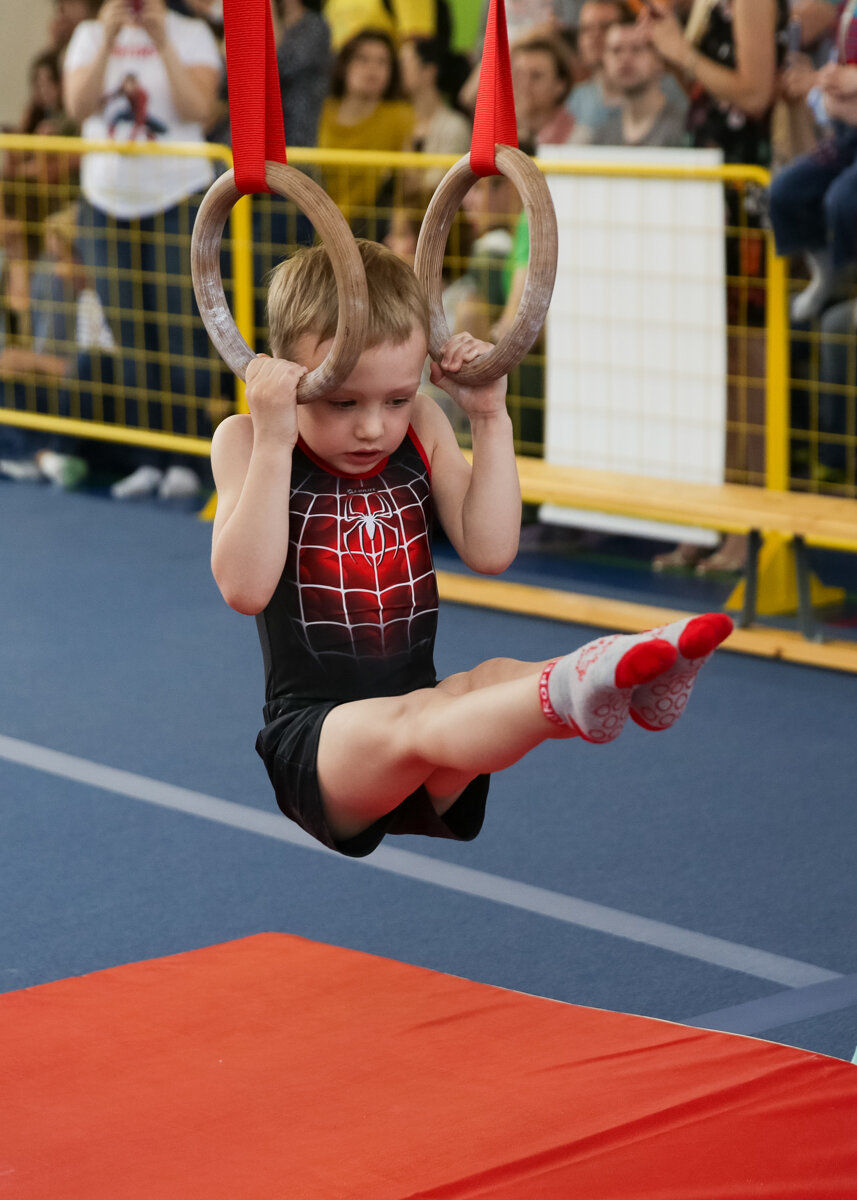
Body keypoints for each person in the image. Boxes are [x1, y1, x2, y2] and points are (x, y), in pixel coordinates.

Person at [209, 238, 732, 858]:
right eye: (342, 401)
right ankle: (570, 692)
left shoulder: (425, 427)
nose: (374, 426)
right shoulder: (247, 439)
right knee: (419, 726)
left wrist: (490, 418)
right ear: (287, 378)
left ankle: (629, 667)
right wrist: (274, 439)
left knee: (487, 681)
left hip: (433, 724)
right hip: (320, 745)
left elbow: (490, 549)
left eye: (397, 398)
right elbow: (244, 589)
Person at [641, 0, 789, 576]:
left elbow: (753, 94)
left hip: (740, 193)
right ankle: (715, 517)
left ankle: (751, 526)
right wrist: (671, 51)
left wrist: (681, 51)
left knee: (749, 363)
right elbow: (711, 89)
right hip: (708, 187)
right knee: (714, 364)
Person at [63, 0, 224, 499]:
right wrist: (109, 40)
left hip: (176, 196)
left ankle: (186, 457)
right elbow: (77, 107)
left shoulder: (191, 32)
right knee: (129, 333)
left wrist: (163, 43)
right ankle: (148, 458)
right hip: (105, 201)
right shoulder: (89, 35)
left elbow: (200, 110)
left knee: (179, 331)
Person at [768, 2, 857, 322]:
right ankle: (828, 276)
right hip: (845, 133)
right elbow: (837, 83)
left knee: (844, 200)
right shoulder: (848, 11)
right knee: (785, 191)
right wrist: (820, 83)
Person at [318, 29, 414, 237]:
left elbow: (408, 183)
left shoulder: (400, 116)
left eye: (382, 62)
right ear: (344, 65)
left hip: (372, 230)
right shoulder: (322, 111)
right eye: (362, 59)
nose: (373, 69)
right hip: (316, 220)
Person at [590, 16, 686, 147]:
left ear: (659, 59)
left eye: (636, 49)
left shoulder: (684, 129)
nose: (625, 58)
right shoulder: (602, 135)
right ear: (605, 61)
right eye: (616, 50)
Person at [566, 0, 628, 143]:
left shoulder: (661, 90)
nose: (594, 35)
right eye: (586, 29)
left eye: (605, 27)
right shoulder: (574, 99)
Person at [274, 0, 332, 148]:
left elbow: (278, 65)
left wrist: (267, 13)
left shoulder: (316, 27)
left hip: (297, 135)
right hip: (257, 131)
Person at [511, 35, 576, 145]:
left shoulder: (577, 137)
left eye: (536, 76)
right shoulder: (492, 131)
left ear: (560, 85)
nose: (525, 83)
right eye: (519, 74)